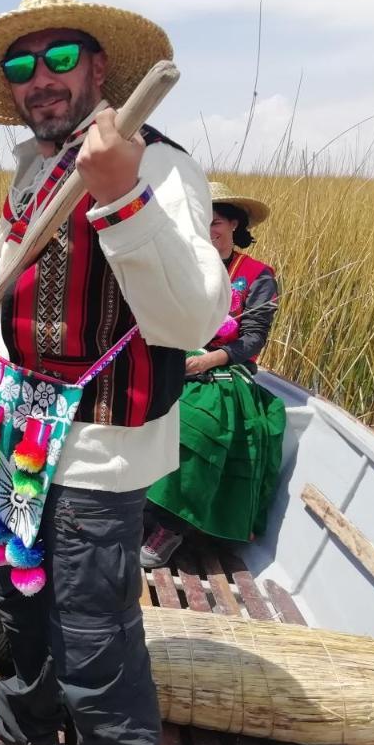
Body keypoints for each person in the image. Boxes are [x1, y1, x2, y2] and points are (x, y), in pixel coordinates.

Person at [0, 0, 229, 745]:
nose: (41, 77)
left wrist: (121, 194)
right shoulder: (29, 174)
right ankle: (25, 725)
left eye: (60, 55)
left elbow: (192, 322)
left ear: (100, 70)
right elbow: (13, 291)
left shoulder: (157, 165)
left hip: (99, 449)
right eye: (22, 66)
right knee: (20, 603)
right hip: (14, 432)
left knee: (97, 646)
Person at [140, 181, 286, 568]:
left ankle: (168, 529)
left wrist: (209, 359)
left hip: (226, 369)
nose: (207, 228)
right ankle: (134, 511)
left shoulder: (257, 275)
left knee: (193, 418)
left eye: (216, 220)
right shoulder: (181, 265)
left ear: (235, 223)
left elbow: (253, 340)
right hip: (173, 358)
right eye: (198, 219)